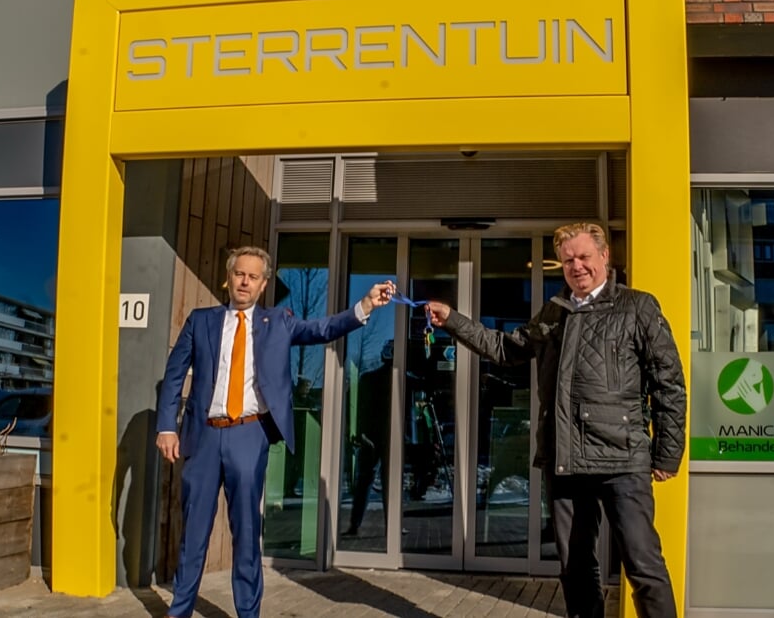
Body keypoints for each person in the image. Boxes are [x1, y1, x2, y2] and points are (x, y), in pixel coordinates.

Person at [426, 222, 686, 618]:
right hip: (566, 460)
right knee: (576, 569)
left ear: (604, 257)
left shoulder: (638, 307)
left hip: (622, 459)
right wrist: (454, 321)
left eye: (583, 257)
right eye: (567, 261)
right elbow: (504, 347)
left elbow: (668, 381)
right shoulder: (554, 312)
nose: (576, 267)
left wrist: (667, 453)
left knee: (643, 566)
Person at [155, 246, 394, 618]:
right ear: (229, 276)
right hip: (203, 436)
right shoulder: (200, 321)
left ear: (264, 284)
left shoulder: (278, 321)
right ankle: (180, 610)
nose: (244, 281)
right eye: (239, 274)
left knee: (247, 534)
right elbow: (173, 377)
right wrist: (167, 426)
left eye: (253, 276)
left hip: (249, 435)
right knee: (194, 534)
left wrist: (364, 305)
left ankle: (248, 613)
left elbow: (323, 329)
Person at [343, 340, 393, 537]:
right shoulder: (399, 380)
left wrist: (358, 431)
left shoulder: (368, 378)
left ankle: (355, 524)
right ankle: (392, 525)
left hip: (371, 436)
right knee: (387, 482)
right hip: (384, 437)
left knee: (365, 481)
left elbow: (359, 408)